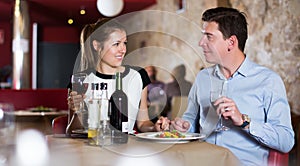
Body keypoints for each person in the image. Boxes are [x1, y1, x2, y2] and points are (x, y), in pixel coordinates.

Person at [170, 7, 294, 165]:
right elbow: (190, 121)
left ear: (231, 42)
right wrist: (183, 126)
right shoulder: (202, 78)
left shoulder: (268, 81)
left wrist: (243, 121)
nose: (201, 43)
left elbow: (286, 141)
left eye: (209, 37)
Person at [67, 18, 169, 134]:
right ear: (96, 46)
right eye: (116, 44)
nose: (123, 49)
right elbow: (72, 131)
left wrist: (155, 128)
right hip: (93, 148)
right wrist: (77, 111)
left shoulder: (138, 76)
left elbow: (143, 123)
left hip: (126, 147)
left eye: (124, 43)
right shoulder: (81, 80)